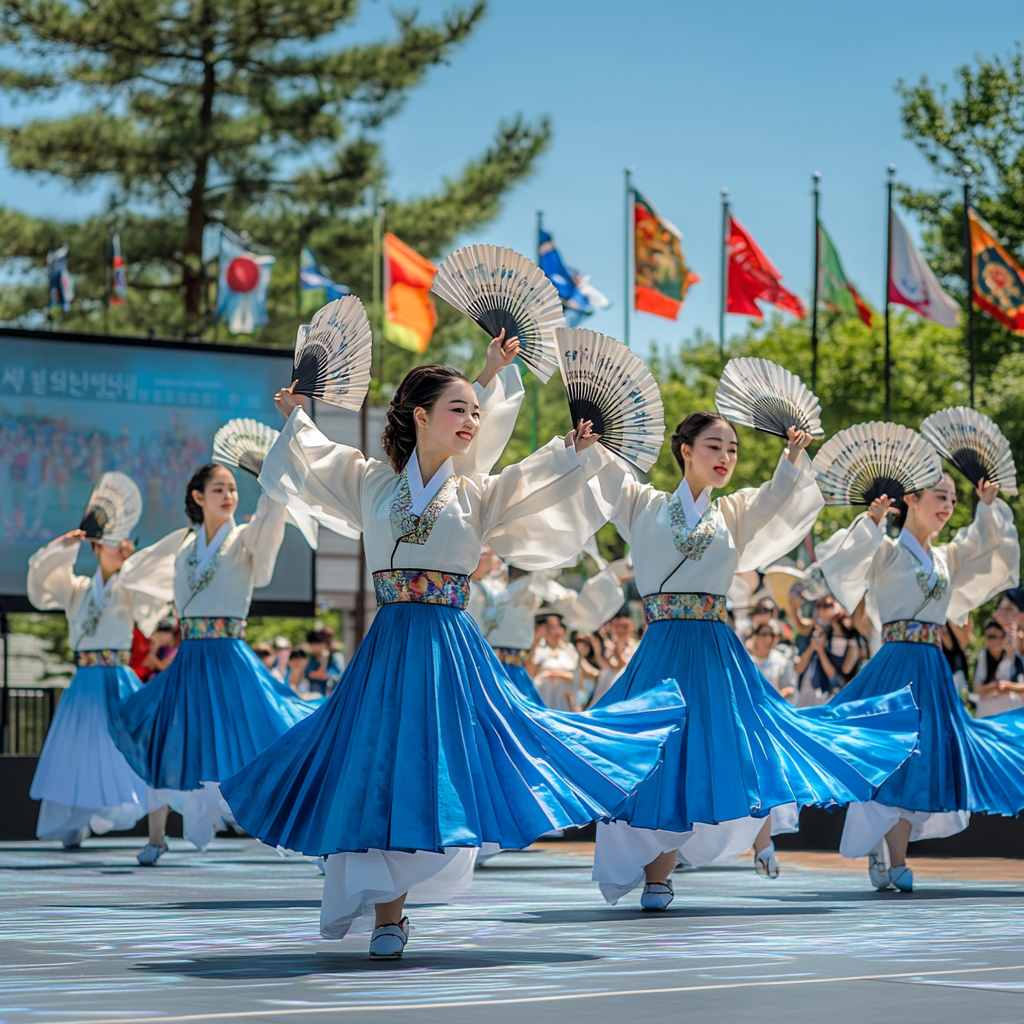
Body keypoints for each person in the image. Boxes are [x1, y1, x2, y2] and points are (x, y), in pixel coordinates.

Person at [220, 344, 684, 961]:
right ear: (420, 415)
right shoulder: (372, 482)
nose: (471, 420)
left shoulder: (477, 493)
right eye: (458, 410)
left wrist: (571, 451)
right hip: (388, 648)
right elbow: (317, 460)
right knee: (380, 766)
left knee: (444, 762)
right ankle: (388, 915)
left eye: (476, 411)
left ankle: (402, 900)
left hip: (448, 647)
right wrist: (298, 417)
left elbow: (533, 483)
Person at [583, 409, 919, 910]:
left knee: (726, 745)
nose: (726, 457)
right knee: (660, 751)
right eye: (715, 446)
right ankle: (657, 876)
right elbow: (604, 476)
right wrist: (588, 443)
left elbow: (777, 496)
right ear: (685, 450)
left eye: (733, 449)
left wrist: (792, 456)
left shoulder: (733, 513)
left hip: (714, 648)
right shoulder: (642, 502)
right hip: (662, 645)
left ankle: (721, 852)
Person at [818, 471, 1024, 891]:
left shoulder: (948, 556)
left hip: (933, 665)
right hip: (896, 663)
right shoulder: (888, 550)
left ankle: (893, 853)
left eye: (952, 499)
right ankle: (891, 853)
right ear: (911, 498)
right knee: (892, 753)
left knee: (924, 755)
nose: (948, 506)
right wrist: (873, 522)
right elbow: (845, 563)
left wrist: (987, 507)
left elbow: (987, 547)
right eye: (939, 497)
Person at [104, 462, 317, 864]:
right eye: (219, 489)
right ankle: (155, 838)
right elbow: (136, 573)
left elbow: (266, 546)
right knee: (164, 736)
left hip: (227, 655)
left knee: (267, 734)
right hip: (190, 658)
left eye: (232, 489)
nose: (229, 495)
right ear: (198, 497)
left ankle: (313, 838)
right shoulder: (184, 543)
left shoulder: (244, 537)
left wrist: (270, 487)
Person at [26, 505, 175, 847]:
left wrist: (135, 569)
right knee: (75, 751)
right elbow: (41, 581)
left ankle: (156, 834)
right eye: (115, 541)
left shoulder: (130, 586)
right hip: (85, 682)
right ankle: (73, 823)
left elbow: (154, 606)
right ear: (95, 546)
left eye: (127, 541)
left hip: (118, 680)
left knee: (140, 747)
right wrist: (63, 546)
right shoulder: (78, 588)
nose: (123, 546)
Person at [972, 619, 1024, 718]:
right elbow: (976, 689)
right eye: (987, 636)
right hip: (988, 709)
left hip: (1011, 709)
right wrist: (996, 686)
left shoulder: (1014, 658)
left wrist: (1008, 686)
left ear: (1003, 637)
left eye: (993, 636)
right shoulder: (983, 656)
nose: (989, 640)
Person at [589, 608, 640, 705]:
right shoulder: (607, 645)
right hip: (605, 689)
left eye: (623, 626)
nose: (619, 629)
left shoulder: (635, 647)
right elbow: (606, 666)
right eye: (617, 626)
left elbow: (624, 667)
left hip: (621, 693)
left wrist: (617, 651)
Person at [747, 619, 797, 702]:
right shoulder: (746, 661)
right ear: (755, 637)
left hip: (774, 706)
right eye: (764, 634)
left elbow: (790, 688)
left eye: (771, 635)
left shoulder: (781, 660)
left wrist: (773, 698)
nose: (768, 638)